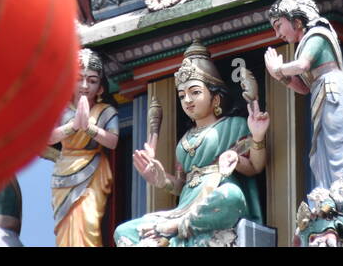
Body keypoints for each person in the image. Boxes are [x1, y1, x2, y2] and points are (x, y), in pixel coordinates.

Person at [114, 42, 269, 246]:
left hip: (215, 197)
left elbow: (255, 167)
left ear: (215, 98)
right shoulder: (184, 141)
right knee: (123, 231)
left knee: (231, 196)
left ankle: (177, 227)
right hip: (185, 206)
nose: (187, 100)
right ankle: (177, 226)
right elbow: (182, 184)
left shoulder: (234, 125)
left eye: (195, 92)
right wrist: (161, 179)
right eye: (182, 95)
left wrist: (256, 138)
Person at [263, 0, 343, 196]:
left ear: (296, 19)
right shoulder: (306, 41)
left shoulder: (317, 33)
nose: (278, 34)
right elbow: (304, 88)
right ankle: (330, 195)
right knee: (321, 151)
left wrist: (279, 69)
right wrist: (281, 77)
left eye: (279, 25)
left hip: (334, 93)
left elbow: (302, 65)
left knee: (337, 146)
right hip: (321, 93)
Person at [50, 49, 119, 246]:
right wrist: (72, 126)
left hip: (93, 170)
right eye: (79, 79)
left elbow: (112, 141)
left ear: (100, 88)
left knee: (88, 221)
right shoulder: (60, 111)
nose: (85, 86)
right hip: (64, 171)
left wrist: (89, 128)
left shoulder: (105, 111)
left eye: (92, 80)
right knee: (65, 224)